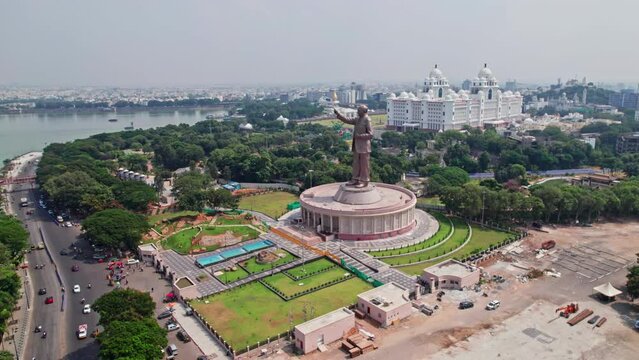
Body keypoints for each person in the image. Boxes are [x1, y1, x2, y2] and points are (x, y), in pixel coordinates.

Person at [334, 105, 373, 188]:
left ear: (364, 111)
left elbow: (370, 134)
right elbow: (347, 120)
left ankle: (364, 181)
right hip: (356, 146)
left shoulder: (367, 119)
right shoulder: (357, 119)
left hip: (364, 146)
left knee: (364, 165)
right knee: (356, 164)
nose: (357, 112)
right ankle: (355, 179)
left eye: (359, 110)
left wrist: (360, 136)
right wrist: (339, 114)